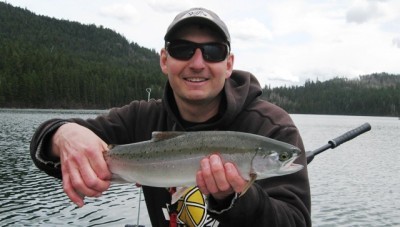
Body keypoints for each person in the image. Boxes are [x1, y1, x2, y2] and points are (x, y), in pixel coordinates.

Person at [30, 7, 311, 227]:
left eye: (213, 51)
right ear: (165, 60)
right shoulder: (141, 118)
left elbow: (295, 222)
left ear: (229, 64)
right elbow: (45, 149)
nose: (198, 63)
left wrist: (237, 197)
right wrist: (63, 134)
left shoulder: (271, 128)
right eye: (182, 49)